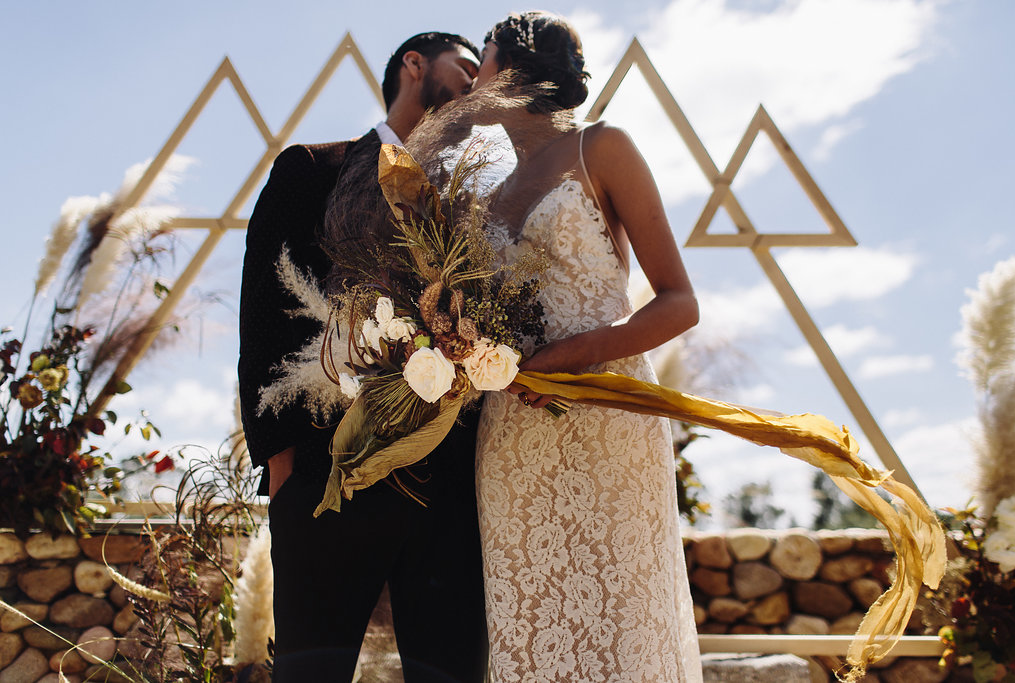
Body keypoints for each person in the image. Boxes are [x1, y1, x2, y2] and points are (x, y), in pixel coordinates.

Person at [405, 12, 703, 681]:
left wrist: (573, 355)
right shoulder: (484, 200)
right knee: (531, 617)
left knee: (620, 615)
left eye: (480, 62)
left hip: (607, 415)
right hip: (513, 433)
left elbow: (681, 301)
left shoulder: (604, 148)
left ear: (512, 69)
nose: (470, 80)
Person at [237, 32, 487, 682]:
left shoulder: (473, 203)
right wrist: (284, 463)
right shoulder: (311, 169)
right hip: (326, 477)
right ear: (414, 65)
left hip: (448, 492)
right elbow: (265, 317)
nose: (475, 84)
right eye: (465, 67)